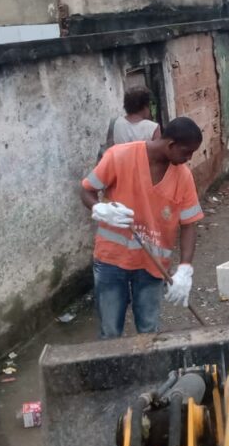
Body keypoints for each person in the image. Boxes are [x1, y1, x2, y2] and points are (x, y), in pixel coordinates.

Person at [80, 117, 205, 339]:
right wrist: (99, 208)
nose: (189, 158)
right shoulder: (119, 156)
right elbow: (87, 190)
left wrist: (185, 269)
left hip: (152, 266)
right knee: (110, 332)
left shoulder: (183, 176)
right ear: (170, 145)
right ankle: (111, 372)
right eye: (186, 152)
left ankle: (149, 372)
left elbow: (189, 224)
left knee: (149, 332)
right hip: (111, 260)